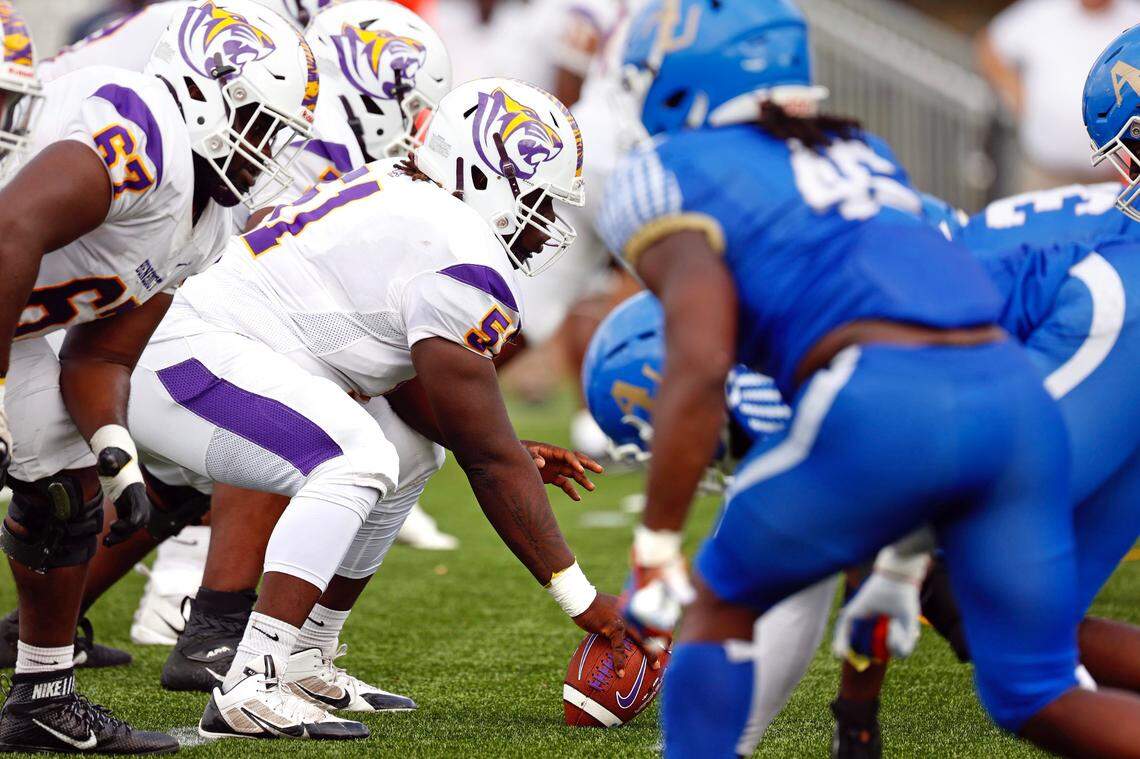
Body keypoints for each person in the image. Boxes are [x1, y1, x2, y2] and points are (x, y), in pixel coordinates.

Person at [599, 1, 1140, 756]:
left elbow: (703, 359)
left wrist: (655, 540)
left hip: (959, 368)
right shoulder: (858, 149)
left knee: (722, 597)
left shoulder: (671, 174)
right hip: (1003, 383)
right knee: (1030, 680)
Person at [119, 76, 627, 740]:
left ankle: (304, 655)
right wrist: (585, 601)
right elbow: (488, 458)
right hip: (191, 363)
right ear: (481, 174)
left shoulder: (411, 197)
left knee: (412, 449)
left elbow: (422, 394)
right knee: (353, 458)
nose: (544, 227)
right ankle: (254, 677)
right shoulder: (457, 245)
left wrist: (507, 450)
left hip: (208, 355)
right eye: (535, 200)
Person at [0, 0, 317, 752]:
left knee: (63, 471)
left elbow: (100, 354)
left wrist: (114, 448)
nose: (267, 152)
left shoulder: (205, 224)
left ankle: (41, 694)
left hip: (23, 331)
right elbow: (11, 227)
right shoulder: (144, 131)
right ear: (206, 91)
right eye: (261, 126)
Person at [975, 0, 1138, 190]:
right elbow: (989, 45)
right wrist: (1016, 95)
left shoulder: (1134, 17)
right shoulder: (1043, 10)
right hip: (1044, 174)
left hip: (1113, 177)